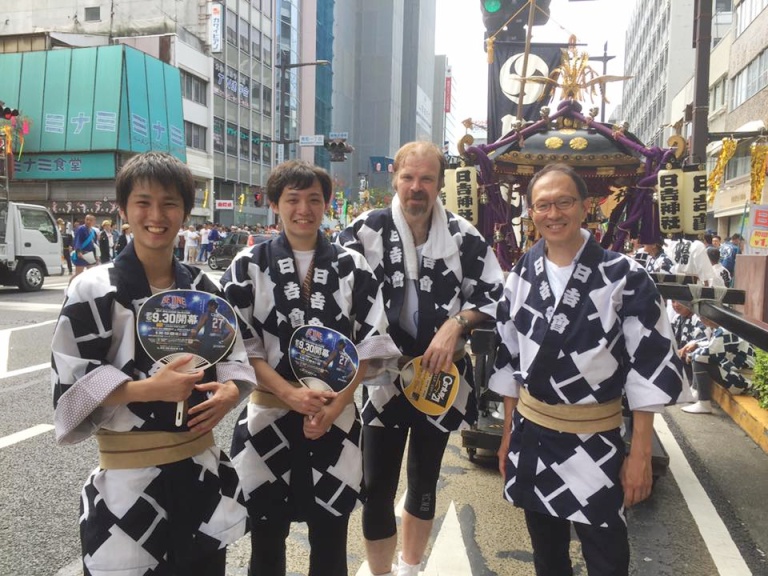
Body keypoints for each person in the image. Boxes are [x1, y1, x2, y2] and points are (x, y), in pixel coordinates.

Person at [51, 151, 257, 576]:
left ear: (185, 211)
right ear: (124, 209)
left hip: (200, 474)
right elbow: (69, 387)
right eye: (143, 202)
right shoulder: (93, 289)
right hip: (127, 484)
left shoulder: (202, 288)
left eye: (169, 203)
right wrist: (148, 390)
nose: (156, 215)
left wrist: (232, 391)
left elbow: (235, 359)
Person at [489, 163, 685, 576]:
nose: (553, 213)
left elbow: (647, 371)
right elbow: (509, 361)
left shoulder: (625, 275)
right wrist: (507, 436)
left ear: (585, 207)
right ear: (531, 213)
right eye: (543, 205)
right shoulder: (521, 276)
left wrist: (641, 454)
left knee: (608, 556)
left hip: (595, 437)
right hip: (534, 434)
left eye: (564, 202)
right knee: (547, 554)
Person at [221, 160, 399, 576]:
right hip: (268, 417)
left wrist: (336, 406)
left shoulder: (351, 265)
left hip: (334, 418)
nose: (304, 209)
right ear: (275, 206)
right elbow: (240, 345)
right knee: (265, 542)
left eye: (313, 200)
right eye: (293, 200)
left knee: (331, 540)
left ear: (326, 205)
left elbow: (370, 344)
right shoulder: (248, 265)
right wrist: (288, 394)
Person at [337, 141, 504, 576]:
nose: (416, 188)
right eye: (408, 178)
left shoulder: (465, 237)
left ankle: (410, 569)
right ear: (394, 178)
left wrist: (457, 324)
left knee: (425, 480)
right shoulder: (363, 231)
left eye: (426, 179)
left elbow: (494, 295)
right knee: (377, 486)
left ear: (439, 183)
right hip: (381, 378)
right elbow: (335, 297)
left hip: (438, 376)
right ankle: (381, 573)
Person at [680, 318, 756, 414]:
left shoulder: (725, 331)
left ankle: (704, 403)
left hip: (742, 381)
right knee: (699, 356)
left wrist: (692, 353)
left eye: (703, 316)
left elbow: (709, 353)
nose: (701, 319)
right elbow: (713, 346)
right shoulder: (727, 326)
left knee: (699, 358)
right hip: (740, 375)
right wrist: (697, 344)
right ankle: (696, 392)